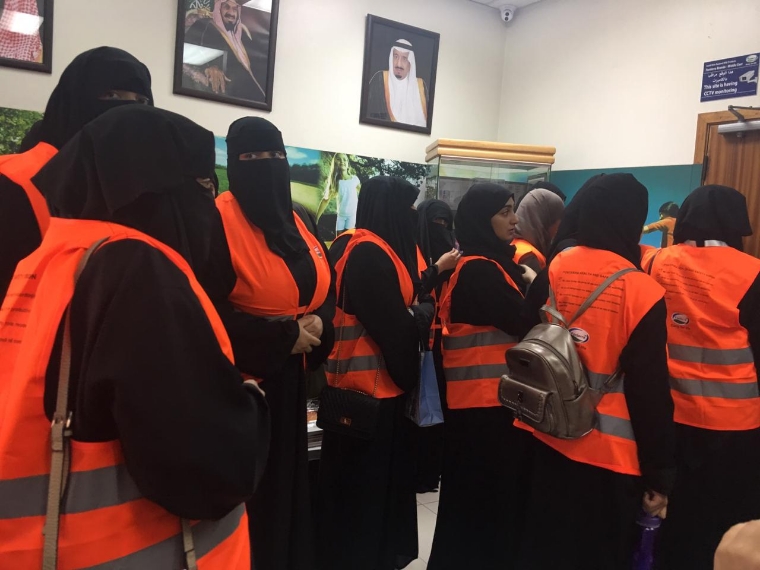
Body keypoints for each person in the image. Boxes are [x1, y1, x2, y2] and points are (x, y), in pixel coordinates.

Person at [0, 105, 269, 569]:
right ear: (158, 191)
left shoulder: (47, 258)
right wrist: (249, 400)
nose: (209, 205)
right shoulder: (140, 273)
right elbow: (209, 468)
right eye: (203, 186)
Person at [515, 174, 676, 570]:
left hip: (546, 430)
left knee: (546, 546)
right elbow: (649, 392)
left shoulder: (557, 264)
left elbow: (526, 328)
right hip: (608, 456)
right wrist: (659, 475)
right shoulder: (641, 290)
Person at [215, 117, 335, 570]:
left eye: (275, 156)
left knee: (287, 490)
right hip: (243, 389)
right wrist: (284, 337)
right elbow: (203, 309)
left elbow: (324, 283)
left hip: (293, 382)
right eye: (251, 157)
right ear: (234, 163)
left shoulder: (299, 220)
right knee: (255, 499)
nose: (265, 166)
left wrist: (319, 323)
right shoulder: (214, 221)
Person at [317, 176, 434, 570]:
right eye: (408, 206)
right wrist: (420, 316)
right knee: (365, 498)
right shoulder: (369, 253)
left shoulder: (359, 245)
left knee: (357, 494)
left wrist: (411, 315)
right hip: (371, 397)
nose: (412, 214)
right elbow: (393, 327)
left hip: (360, 392)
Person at [650, 185, 760, 570]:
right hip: (732, 422)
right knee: (726, 518)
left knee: (672, 510)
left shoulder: (657, 262)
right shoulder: (751, 271)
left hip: (667, 412)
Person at [426, 184, 533, 570]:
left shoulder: (482, 264)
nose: (514, 220)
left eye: (513, 210)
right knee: (484, 506)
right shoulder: (481, 271)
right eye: (505, 212)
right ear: (480, 219)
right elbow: (524, 321)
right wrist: (538, 284)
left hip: (480, 406)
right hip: (487, 409)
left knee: (471, 504)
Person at [0, 46, 153, 301]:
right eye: (111, 95)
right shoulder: (12, 181)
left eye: (141, 102)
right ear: (74, 101)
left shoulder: (144, 193)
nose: (127, 110)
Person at [414, 199, 460, 494]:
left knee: (439, 408)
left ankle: (433, 471)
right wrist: (437, 267)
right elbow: (413, 287)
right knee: (419, 410)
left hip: (445, 345)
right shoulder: (413, 252)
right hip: (419, 343)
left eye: (446, 223)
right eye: (436, 223)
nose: (441, 229)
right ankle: (419, 472)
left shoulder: (457, 256)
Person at [183, 0, 267, 102]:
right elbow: (186, 56)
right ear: (218, 9)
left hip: (250, 99)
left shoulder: (243, 35)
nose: (231, 13)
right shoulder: (204, 25)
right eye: (226, 7)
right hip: (220, 98)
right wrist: (207, 68)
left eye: (235, 9)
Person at [367, 39, 428, 127]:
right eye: (396, 57)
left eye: (404, 59)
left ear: (410, 63)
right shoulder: (379, 79)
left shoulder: (421, 87)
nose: (399, 64)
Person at [512, 188, 565, 273]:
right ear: (546, 220)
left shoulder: (513, 243)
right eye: (558, 221)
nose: (559, 228)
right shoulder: (529, 257)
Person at [316, 153, 361, 233]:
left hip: (352, 216)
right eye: (338, 159)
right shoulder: (335, 182)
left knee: (348, 238)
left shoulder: (354, 179)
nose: (342, 161)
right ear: (335, 163)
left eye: (344, 159)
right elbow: (325, 200)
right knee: (339, 238)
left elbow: (362, 193)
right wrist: (316, 218)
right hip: (340, 216)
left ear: (348, 164)